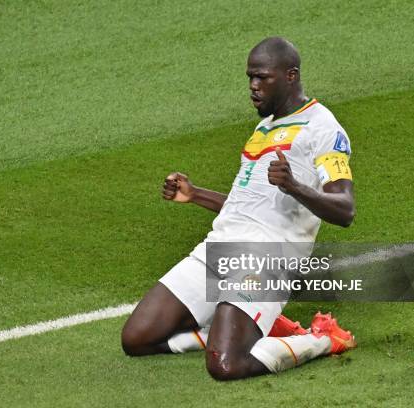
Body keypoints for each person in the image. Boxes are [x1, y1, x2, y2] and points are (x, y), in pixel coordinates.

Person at [121, 37, 356, 381]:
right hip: (221, 249)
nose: (253, 87)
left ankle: (321, 339)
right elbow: (247, 208)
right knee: (137, 338)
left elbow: (345, 209)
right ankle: (247, 328)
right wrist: (195, 194)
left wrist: (295, 186)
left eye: (262, 78)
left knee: (226, 365)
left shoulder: (323, 128)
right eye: (250, 77)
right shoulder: (263, 129)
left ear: (291, 76)